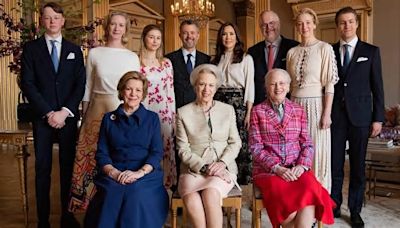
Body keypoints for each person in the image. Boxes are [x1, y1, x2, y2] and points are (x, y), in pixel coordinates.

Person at [20, 2, 85, 227]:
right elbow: (27, 84)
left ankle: (67, 217)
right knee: (42, 170)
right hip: (42, 118)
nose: (52, 21)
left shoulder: (75, 50)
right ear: (41, 21)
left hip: (67, 119)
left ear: (63, 21)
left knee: (67, 168)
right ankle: (42, 220)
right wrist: (49, 112)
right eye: (47, 17)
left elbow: (80, 84)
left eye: (56, 17)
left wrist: (64, 111)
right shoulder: (31, 49)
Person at [70, 11, 140, 212]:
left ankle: (118, 202)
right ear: (107, 27)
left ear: (126, 29)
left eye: (121, 25)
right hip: (97, 110)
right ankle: (88, 204)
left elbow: (137, 88)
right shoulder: (95, 53)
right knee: (92, 156)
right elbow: (87, 86)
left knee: (118, 155)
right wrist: (83, 115)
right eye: (113, 24)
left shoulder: (132, 57)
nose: (117, 28)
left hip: (123, 110)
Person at [249, 69, 335, 228]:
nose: (277, 87)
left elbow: (307, 144)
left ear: (288, 87)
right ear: (266, 87)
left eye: (282, 83)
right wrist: (276, 168)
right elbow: (255, 148)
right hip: (268, 171)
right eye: (273, 84)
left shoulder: (298, 110)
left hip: (296, 168)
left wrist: (302, 166)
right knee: (290, 214)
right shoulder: (257, 111)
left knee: (309, 189)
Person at [84, 71, 169, 228]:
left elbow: (156, 153)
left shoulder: (152, 118)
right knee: (113, 192)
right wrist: (114, 173)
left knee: (135, 193)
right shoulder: (109, 119)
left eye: (138, 90)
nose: (133, 94)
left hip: (145, 172)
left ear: (143, 94)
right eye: (129, 89)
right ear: (122, 91)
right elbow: (102, 153)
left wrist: (139, 173)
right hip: (115, 171)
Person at [330, 7, 384, 227]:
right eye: (342, 22)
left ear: (357, 23)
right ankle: (334, 204)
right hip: (335, 117)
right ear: (338, 26)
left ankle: (355, 210)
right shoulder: (329, 50)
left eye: (350, 22)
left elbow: (377, 86)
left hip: (361, 117)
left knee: (357, 167)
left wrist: (378, 118)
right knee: (335, 165)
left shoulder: (370, 51)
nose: (347, 26)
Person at [176, 64, 241, 227]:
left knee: (210, 193)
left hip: (223, 169)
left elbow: (235, 142)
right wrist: (204, 167)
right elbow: (183, 150)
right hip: (193, 171)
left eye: (211, 85)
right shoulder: (183, 112)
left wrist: (221, 163)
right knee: (191, 199)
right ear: (195, 86)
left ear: (216, 87)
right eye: (202, 84)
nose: (206, 89)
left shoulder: (228, 110)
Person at [286, 8, 339, 192]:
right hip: (294, 106)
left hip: (316, 106)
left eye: (308, 22)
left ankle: (317, 202)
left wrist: (327, 113)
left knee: (316, 152)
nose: (304, 26)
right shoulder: (292, 52)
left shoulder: (325, 48)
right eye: (300, 23)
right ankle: (299, 199)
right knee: (296, 152)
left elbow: (329, 84)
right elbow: (288, 85)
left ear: (315, 24)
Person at [211, 22, 254, 184]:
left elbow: (250, 86)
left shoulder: (246, 58)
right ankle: (222, 173)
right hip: (218, 102)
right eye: (224, 34)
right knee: (221, 138)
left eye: (231, 34)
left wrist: (249, 111)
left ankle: (242, 178)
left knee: (239, 140)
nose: (227, 37)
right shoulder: (215, 59)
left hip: (238, 103)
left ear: (236, 37)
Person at [139, 24, 176, 188]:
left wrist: (173, 118)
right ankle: (146, 187)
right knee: (145, 148)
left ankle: (166, 189)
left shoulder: (166, 63)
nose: (155, 41)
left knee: (165, 150)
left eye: (158, 38)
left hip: (164, 113)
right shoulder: (136, 61)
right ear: (144, 38)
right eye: (151, 37)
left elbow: (170, 92)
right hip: (144, 112)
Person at [248, 10, 299, 106]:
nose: (268, 28)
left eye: (271, 23)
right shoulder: (252, 51)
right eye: (264, 25)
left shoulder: (293, 47)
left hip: (286, 104)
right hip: (260, 105)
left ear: (278, 24)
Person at [166, 19, 211, 109]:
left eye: (192, 33)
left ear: (198, 35)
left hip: (201, 109)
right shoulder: (169, 59)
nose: (189, 36)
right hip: (178, 109)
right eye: (185, 33)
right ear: (180, 36)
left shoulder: (207, 60)